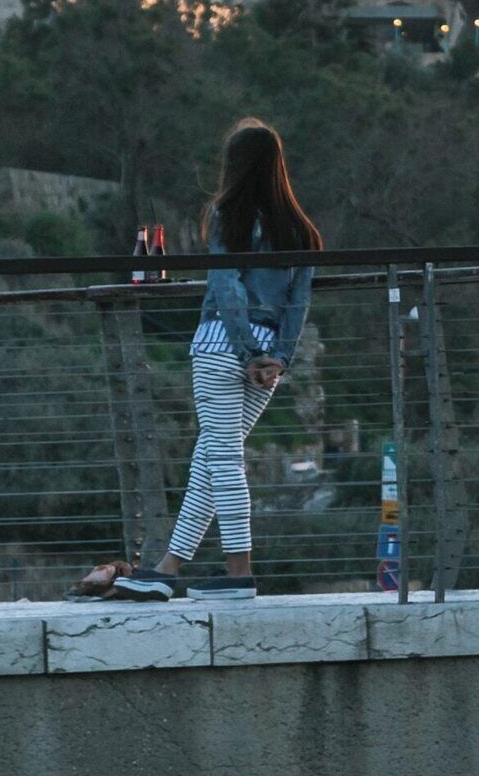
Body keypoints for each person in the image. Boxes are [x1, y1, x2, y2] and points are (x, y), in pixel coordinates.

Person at [113, 119, 319, 601]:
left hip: (220, 348)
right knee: (210, 458)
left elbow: (226, 288)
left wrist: (247, 350)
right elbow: (298, 305)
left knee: (222, 458)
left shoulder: (228, 216)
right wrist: (277, 359)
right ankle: (168, 567)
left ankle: (237, 574)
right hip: (265, 361)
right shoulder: (302, 231)